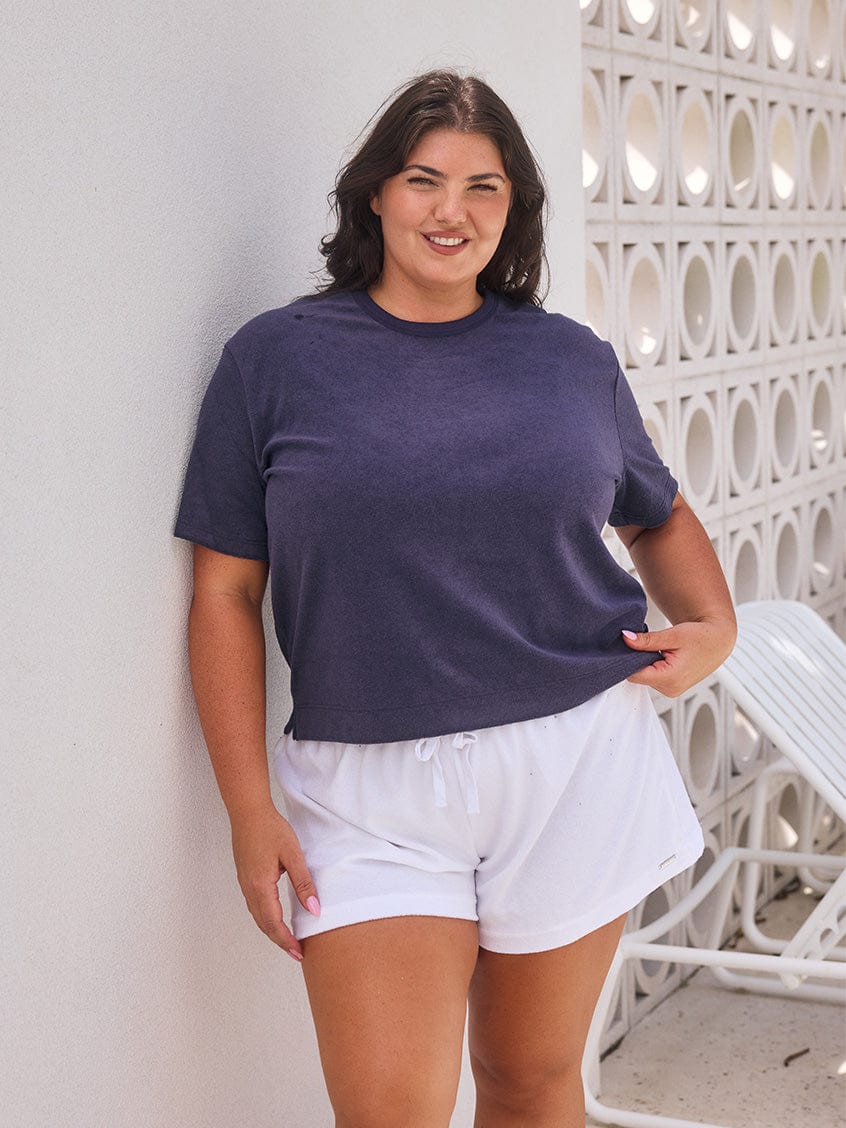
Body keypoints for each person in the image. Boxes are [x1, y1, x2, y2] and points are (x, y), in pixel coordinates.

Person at [175, 70, 736, 1128]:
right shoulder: (275, 360)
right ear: (376, 194)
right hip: (367, 791)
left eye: (485, 187)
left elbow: (655, 512)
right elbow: (225, 591)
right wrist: (250, 809)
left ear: (514, 208)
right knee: (389, 1111)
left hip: (575, 759)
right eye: (425, 179)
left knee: (531, 1081)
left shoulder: (568, 359)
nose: (453, 211)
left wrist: (714, 627)